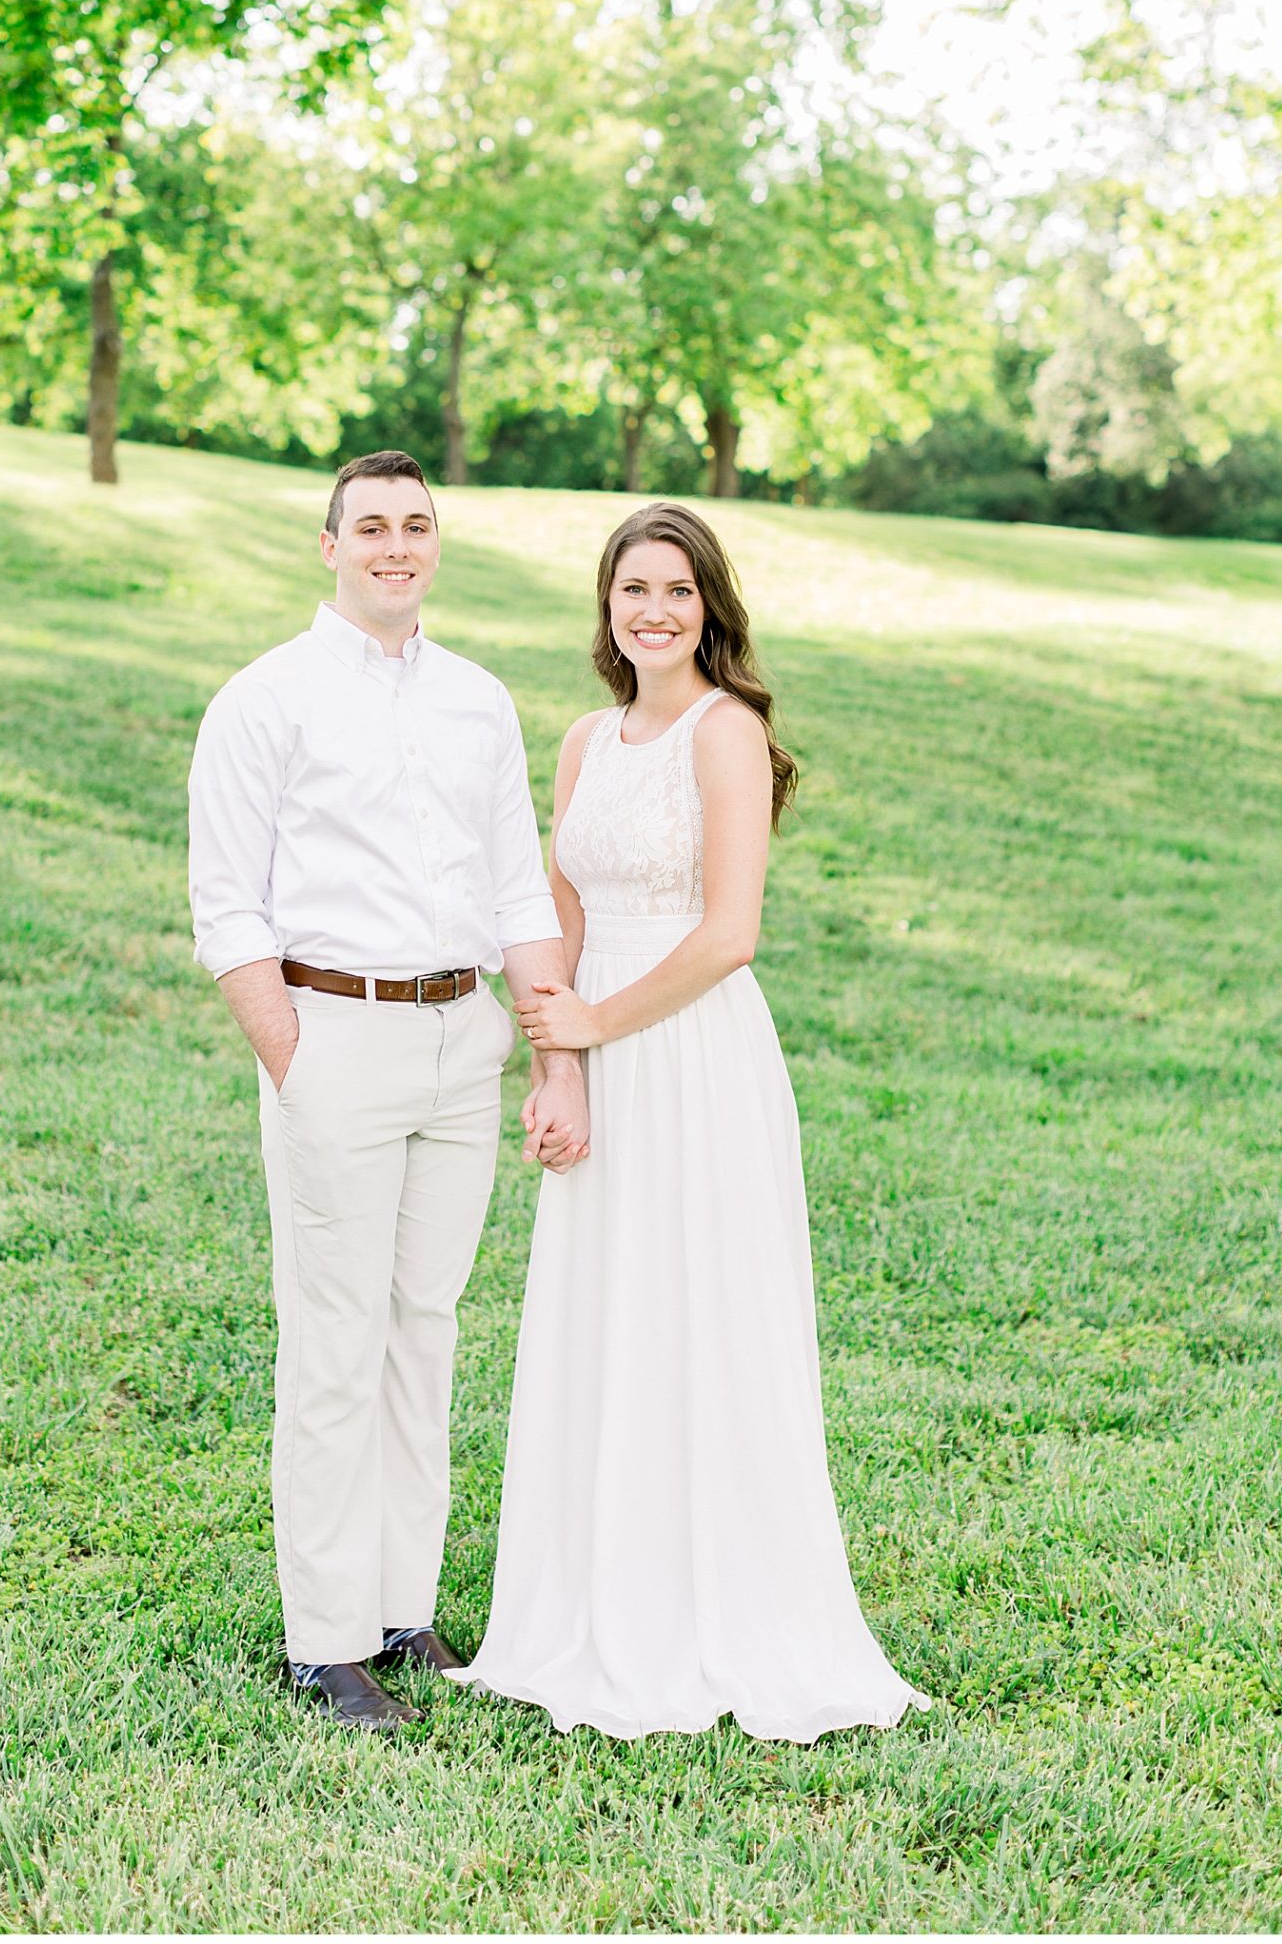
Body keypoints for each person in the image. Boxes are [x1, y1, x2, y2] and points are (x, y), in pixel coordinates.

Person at [454, 502, 929, 1742]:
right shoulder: (580, 740)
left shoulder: (730, 733)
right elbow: (550, 917)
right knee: (602, 1313)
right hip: (597, 1046)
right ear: (606, 610)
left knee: (698, 1311)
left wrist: (601, 1027)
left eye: (676, 589)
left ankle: (716, 1602)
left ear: (710, 605)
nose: (653, 610)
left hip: (693, 1053)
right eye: (632, 591)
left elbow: (731, 933)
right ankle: (596, 1595)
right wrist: (558, 1069)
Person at [187, 449, 590, 1733]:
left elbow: (519, 888)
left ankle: (404, 1612)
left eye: (416, 525)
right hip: (333, 1035)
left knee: (426, 1324)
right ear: (329, 544)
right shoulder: (265, 700)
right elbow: (225, 909)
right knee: (335, 1335)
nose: (396, 545)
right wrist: (293, 1059)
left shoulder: (477, 700)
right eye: (371, 526)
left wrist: (548, 1042)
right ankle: (322, 1641)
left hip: (458, 1033)